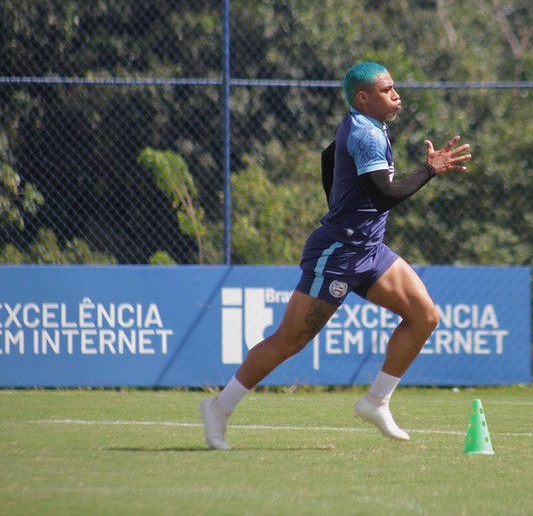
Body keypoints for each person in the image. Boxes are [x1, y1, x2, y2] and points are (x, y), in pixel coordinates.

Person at [201, 62, 471, 450]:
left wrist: (340, 206)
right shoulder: (365, 133)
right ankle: (219, 408)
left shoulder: (368, 125)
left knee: (424, 315)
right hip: (339, 254)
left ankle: (375, 401)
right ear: (363, 97)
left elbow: (328, 158)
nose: (396, 94)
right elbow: (385, 195)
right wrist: (429, 169)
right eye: (387, 89)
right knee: (289, 341)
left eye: (394, 87)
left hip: (370, 250)